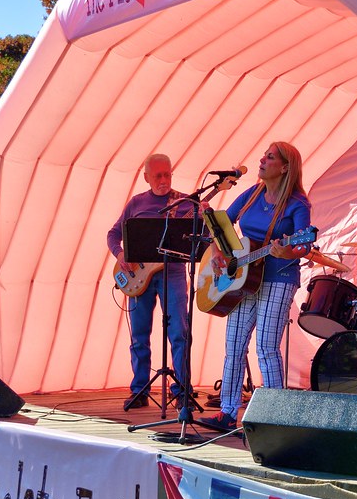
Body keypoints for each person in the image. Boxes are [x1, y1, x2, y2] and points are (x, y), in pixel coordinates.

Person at [199, 142, 312, 432]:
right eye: (263, 155)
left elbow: (304, 244)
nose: (262, 160)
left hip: (278, 279)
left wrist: (287, 251)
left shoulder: (298, 203)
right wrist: (217, 252)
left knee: (265, 347)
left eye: (270, 157)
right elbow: (221, 225)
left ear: (285, 167)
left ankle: (276, 416)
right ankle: (227, 412)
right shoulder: (251, 195)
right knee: (234, 344)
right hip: (244, 279)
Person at [107, 153, 192, 410]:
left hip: (173, 272)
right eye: (158, 175)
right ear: (146, 178)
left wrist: (205, 219)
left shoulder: (186, 203)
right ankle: (140, 390)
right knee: (140, 335)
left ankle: (181, 390)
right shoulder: (136, 203)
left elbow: (204, 234)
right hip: (139, 276)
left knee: (179, 332)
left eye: (167, 174)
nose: (164, 179)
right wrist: (121, 255)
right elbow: (113, 234)